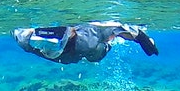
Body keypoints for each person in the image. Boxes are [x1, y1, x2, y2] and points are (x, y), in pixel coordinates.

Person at [12, 21, 158, 64]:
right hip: (70, 55)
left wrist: (140, 38)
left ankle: (110, 44)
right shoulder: (27, 41)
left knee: (96, 54)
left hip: (93, 48)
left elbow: (116, 29)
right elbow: (17, 34)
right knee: (91, 57)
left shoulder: (88, 36)